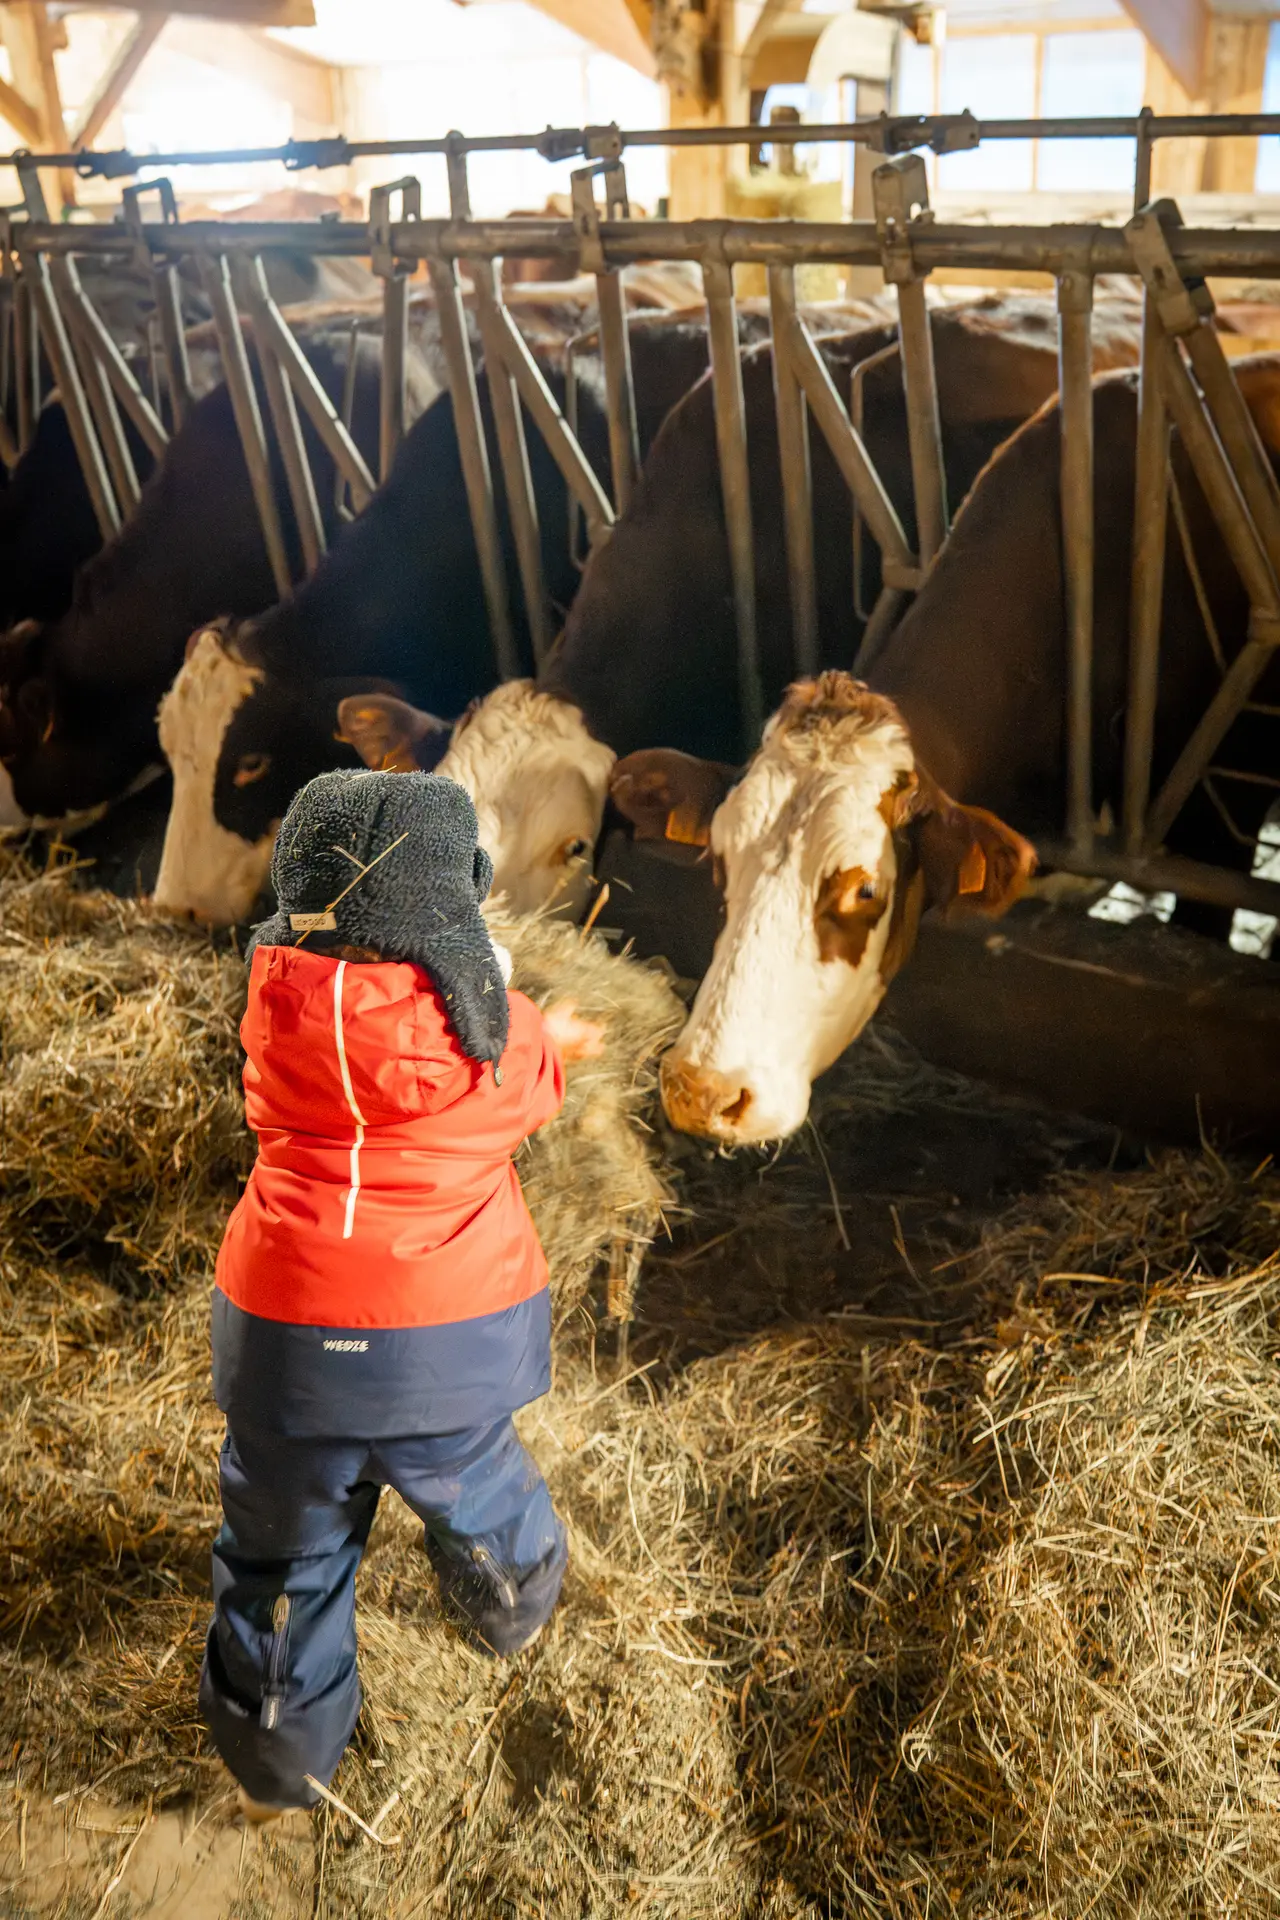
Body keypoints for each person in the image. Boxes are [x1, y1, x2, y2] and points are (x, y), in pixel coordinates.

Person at [198, 767, 603, 1822]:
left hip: (283, 1344)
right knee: (478, 1487)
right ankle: (509, 1605)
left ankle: (279, 1758)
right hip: (443, 1350)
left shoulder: (268, 1018)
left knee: (281, 1551)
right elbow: (534, 1077)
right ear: (445, 905)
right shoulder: (493, 1042)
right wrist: (553, 1038)